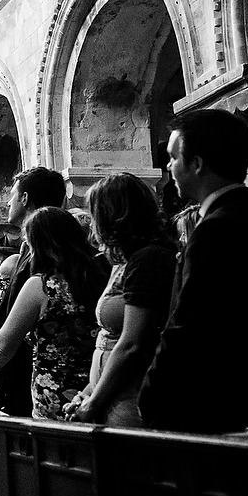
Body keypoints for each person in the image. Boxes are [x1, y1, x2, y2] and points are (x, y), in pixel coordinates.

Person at [140, 109, 248, 433]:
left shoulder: (217, 229)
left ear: (197, 163)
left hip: (209, 404)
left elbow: (188, 323)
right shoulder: (243, 215)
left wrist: (151, 394)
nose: (168, 168)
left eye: (174, 158)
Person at [0, 208, 109, 420]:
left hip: (58, 404)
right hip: (99, 391)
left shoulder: (42, 286)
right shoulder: (101, 277)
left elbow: (1, 346)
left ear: (39, 245)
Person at [65, 173, 177, 426]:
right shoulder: (123, 261)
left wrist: (93, 403)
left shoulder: (149, 259)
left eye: (95, 214)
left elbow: (132, 344)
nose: (93, 225)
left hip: (131, 397)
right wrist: (87, 393)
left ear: (112, 215)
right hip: (110, 395)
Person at [0, 167, 67, 416]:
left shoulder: (44, 253)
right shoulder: (31, 248)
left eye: (12, 194)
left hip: (34, 380)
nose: (7, 201)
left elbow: (16, 330)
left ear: (25, 198)